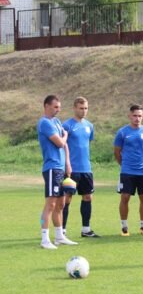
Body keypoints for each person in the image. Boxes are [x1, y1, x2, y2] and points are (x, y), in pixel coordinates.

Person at [37, 94, 76, 249]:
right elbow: (60, 143)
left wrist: (68, 163)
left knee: (61, 204)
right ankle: (44, 239)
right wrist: (65, 135)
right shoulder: (44, 123)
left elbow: (65, 146)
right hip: (52, 168)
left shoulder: (57, 122)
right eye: (55, 107)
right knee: (50, 204)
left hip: (60, 168)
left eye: (59, 107)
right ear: (46, 106)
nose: (58, 110)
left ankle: (59, 237)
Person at [61, 97, 99, 238]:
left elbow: (86, 143)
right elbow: (62, 146)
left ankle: (86, 230)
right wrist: (66, 164)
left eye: (86, 108)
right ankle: (62, 230)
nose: (84, 111)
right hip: (71, 169)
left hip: (86, 169)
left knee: (88, 197)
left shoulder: (89, 126)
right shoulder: (67, 125)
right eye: (81, 108)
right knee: (67, 198)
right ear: (74, 108)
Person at [113, 104, 143, 236]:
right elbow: (117, 152)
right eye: (135, 116)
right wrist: (124, 164)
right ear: (129, 116)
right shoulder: (122, 132)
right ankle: (124, 227)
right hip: (127, 171)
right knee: (125, 197)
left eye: (139, 116)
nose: (137, 118)